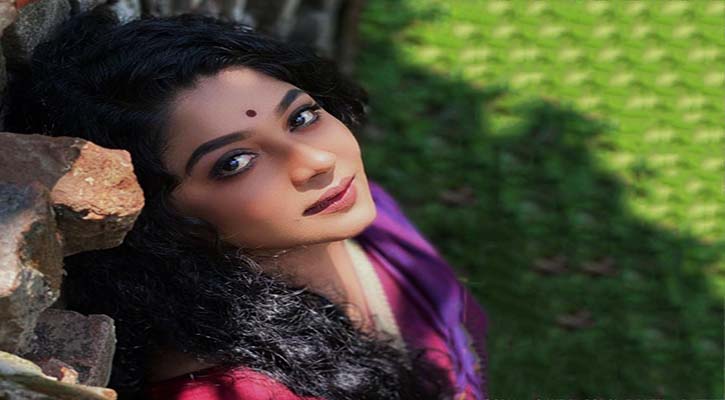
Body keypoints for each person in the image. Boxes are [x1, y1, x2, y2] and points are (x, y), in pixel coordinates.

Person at [9, 5, 489, 400]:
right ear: (158, 217)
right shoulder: (230, 391)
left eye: (301, 118)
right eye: (235, 162)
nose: (317, 161)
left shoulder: (358, 216)